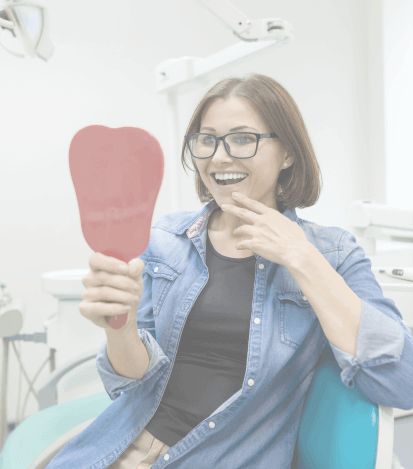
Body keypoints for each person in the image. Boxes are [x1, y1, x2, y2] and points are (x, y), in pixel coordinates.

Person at [45, 74, 412, 469]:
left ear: (287, 153)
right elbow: (134, 386)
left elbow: (401, 381)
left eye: (242, 139)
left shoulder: (333, 253)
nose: (219, 157)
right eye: (207, 140)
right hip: (120, 446)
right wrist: (120, 329)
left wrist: (301, 257)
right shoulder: (166, 240)